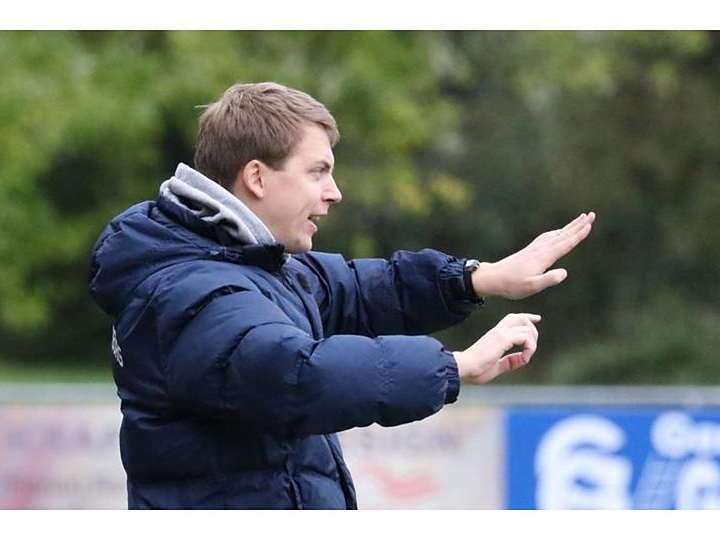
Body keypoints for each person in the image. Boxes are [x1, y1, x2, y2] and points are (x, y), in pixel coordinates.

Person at [88, 81, 596, 509]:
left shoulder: (254, 267)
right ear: (257, 178)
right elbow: (298, 378)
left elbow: (363, 287)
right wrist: (454, 366)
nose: (335, 192)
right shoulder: (190, 290)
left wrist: (479, 277)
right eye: (317, 172)